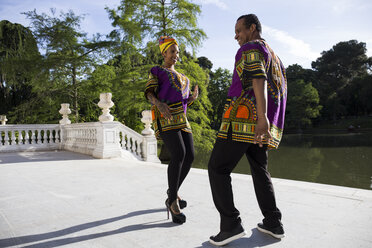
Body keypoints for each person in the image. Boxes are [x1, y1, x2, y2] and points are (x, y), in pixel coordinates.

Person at [208, 14, 287, 246]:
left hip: (244, 118)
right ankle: (273, 223)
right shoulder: (275, 56)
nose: (236, 36)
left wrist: (261, 119)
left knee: (217, 168)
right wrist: (267, 122)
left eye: (239, 30)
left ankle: (230, 224)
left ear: (252, 28)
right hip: (261, 124)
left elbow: (258, 80)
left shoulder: (250, 48)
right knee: (259, 169)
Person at [144, 36, 199, 224]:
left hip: (181, 118)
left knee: (190, 155)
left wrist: (191, 99)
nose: (176, 55)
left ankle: (172, 193)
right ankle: (173, 201)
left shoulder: (184, 78)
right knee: (179, 154)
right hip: (165, 116)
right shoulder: (158, 72)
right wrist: (158, 105)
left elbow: (183, 102)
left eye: (177, 52)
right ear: (164, 53)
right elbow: (149, 92)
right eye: (172, 51)